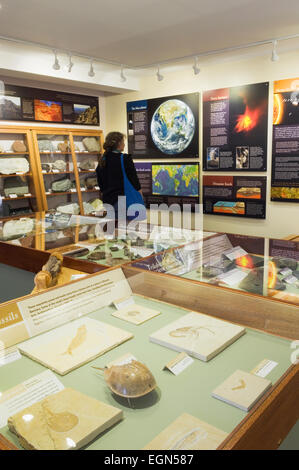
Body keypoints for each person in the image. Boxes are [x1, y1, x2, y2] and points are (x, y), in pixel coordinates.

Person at [96, 131, 144, 219]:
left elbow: (100, 183)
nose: (124, 144)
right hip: (122, 200)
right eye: (123, 142)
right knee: (124, 229)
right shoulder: (125, 159)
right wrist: (140, 194)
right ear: (118, 143)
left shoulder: (103, 160)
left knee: (113, 227)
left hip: (107, 200)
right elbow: (134, 180)